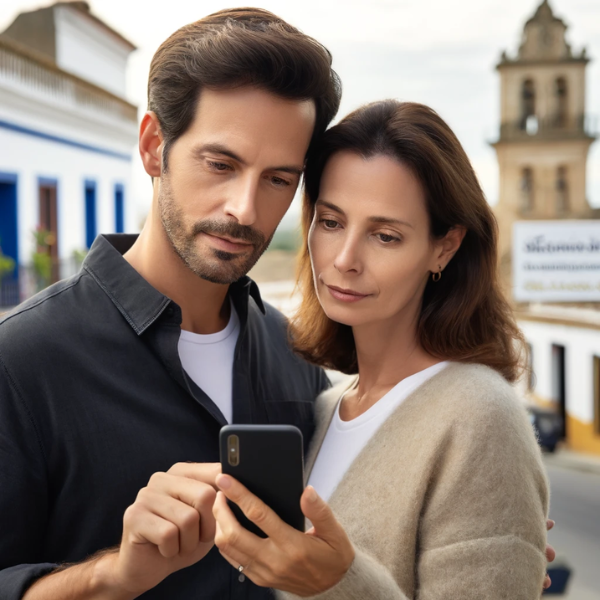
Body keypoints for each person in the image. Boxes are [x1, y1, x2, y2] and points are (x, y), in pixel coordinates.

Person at [0, 8, 341, 599]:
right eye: (221, 164)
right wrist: (116, 573)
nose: (246, 208)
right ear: (155, 146)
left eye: (278, 179)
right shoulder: (21, 362)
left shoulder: (298, 359)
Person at [211, 100, 551, 599]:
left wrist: (339, 583)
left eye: (385, 236)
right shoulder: (326, 409)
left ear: (445, 247)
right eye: (330, 222)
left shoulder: (480, 415)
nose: (345, 259)